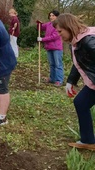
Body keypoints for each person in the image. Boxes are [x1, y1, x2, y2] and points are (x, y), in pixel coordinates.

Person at [53, 13, 95, 150]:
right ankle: (88, 141)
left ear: (69, 27)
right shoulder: (76, 42)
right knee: (81, 102)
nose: (59, 35)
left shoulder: (89, 41)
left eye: (60, 31)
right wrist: (71, 81)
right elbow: (79, 62)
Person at [36, 10, 64, 86]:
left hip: (57, 48)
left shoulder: (59, 25)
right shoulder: (48, 24)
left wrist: (42, 39)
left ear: (57, 16)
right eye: (50, 15)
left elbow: (55, 36)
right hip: (49, 47)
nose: (51, 17)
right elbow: (41, 28)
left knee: (58, 64)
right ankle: (52, 79)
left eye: (53, 15)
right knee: (52, 64)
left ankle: (59, 80)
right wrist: (39, 24)